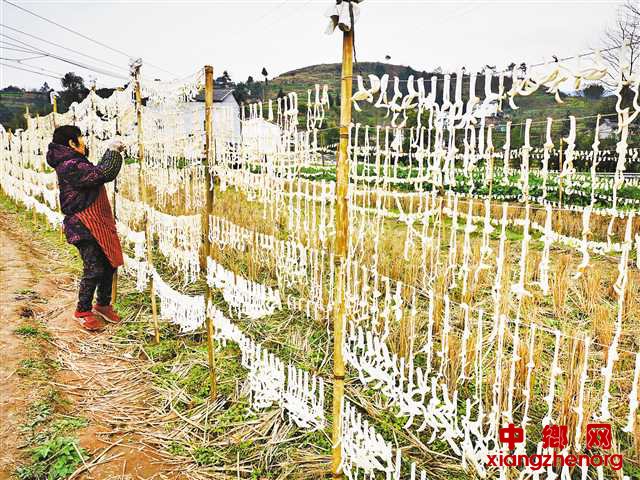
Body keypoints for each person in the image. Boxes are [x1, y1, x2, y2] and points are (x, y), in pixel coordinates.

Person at [46, 125, 126, 332]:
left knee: (108, 262)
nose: (84, 141)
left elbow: (96, 172)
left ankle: (103, 305)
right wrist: (112, 151)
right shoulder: (69, 165)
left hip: (95, 221)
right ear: (72, 143)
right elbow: (102, 173)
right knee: (94, 268)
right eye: (81, 138)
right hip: (81, 224)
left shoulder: (75, 161)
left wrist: (111, 153)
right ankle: (83, 310)